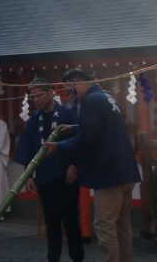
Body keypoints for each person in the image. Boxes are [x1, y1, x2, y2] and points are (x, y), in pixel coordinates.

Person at [46, 69, 141, 262]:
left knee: (105, 226)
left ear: (80, 82)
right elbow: (99, 127)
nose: (71, 93)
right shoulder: (106, 97)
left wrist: (60, 145)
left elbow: (88, 137)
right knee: (122, 225)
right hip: (126, 170)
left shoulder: (90, 101)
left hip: (108, 174)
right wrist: (73, 127)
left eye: (71, 87)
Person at [14, 78, 83, 262]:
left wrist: (75, 164)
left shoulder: (67, 114)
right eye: (32, 96)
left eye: (39, 95)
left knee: (71, 221)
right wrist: (28, 175)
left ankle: (78, 258)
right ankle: (53, 259)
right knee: (51, 223)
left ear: (51, 92)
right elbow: (27, 149)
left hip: (66, 175)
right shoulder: (34, 120)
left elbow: (80, 139)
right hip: (45, 177)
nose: (35, 99)